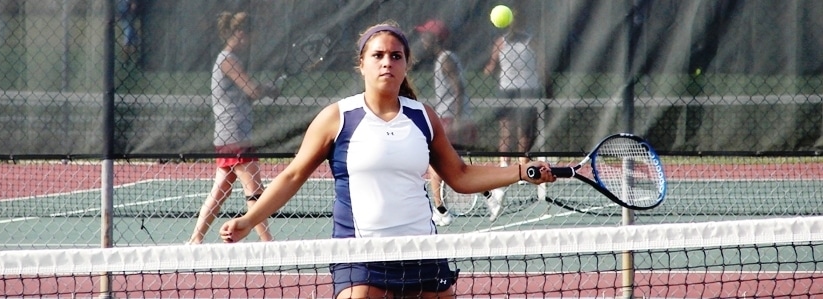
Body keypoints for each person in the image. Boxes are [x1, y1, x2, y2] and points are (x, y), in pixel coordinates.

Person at [219, 21, 556, 298]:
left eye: (396, 56)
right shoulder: (338, 117)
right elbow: (292, 176)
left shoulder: (423, 116)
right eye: (378, 55)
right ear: (362, 63)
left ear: (406, 64)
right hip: (361, 255)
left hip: (421, 250)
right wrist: (249, 220)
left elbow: (460, 176)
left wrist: (520, 172)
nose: (387, 62)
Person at [187, 11, 277, 245]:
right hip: (234, 135)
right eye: (252, 36)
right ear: (240, 33)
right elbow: (252, 90)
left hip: (230, 133)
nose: (253, 42)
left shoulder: (228, 59)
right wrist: (268, 89)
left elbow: (248, 91)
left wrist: (267, 88)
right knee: (254, 189)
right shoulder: (228, 60)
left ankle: (195, 240)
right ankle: (268, 243)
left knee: (221, 190)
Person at [415, 19, 506, 224]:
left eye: (425, 35)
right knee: (453, 166)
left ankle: (441, 211)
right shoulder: (444, 59)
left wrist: (456, 121)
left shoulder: (445, 59)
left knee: (436, 162)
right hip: (449, 117)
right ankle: (489, 194)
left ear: (435, 38)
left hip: (450, 119)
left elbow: (459, 89)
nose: (422, 39)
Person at [483, 9, 553, 169]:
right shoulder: (501, 42)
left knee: (524, 129)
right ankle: (504, 163)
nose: (515, 23)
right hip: (507, 89)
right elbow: (491, 67)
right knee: (506, 128)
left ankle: (523, 163)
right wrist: (488, 69)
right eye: (513, 19)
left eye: (518, 19)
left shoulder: (531, 41)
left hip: (528, 89)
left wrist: (548, 86)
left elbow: (542, 67)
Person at [116, 0, 140, 64]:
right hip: (126, 18)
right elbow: (123, 9)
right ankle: (126, 59)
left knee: (134, 38)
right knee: (128, 37)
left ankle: (133, 59)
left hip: (129, 18)